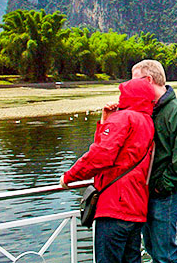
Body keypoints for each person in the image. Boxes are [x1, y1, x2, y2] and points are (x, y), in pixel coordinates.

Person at [59, 78, 155, 263]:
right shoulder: (147, 121)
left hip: (115, 206)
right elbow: (117, 152)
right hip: (136, 207)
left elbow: (100, 155)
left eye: (123, 94)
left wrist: (68, 177)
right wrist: (105, 122)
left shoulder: (124, 118)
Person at [132, 59, 177, 263]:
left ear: (148, 80)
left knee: (164, 253)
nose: (131, 87)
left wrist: (164, 185)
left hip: (164, 193)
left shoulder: (176, 110)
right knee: (152, 247)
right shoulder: (149, 110)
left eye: (135, 82)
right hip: (147, 191)